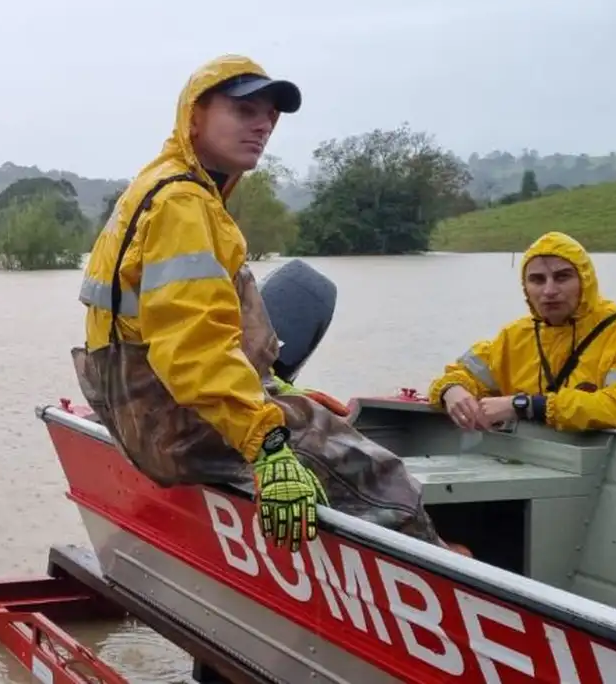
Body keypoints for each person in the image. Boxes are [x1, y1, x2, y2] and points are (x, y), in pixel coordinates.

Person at [71, 54, 446, 554]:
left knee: (314, 419)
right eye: (244, 110)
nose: (263, 124)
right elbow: (193, 348)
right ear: (195, 116)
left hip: (150, 407)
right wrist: (267, 444)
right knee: (382, 477)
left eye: (270, 114)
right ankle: (449, 576)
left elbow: (191, 325)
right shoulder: (183, 205)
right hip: (179, 421)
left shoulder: (168, 186)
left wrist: (278, 390)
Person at [429, 231, 616, 434]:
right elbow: (459, 375)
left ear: (585, 280)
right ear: (525, 287)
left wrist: (526, 406)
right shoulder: (514, 337)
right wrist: (452, 391)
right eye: (537, 280)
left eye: (562, 277)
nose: (549, 290)